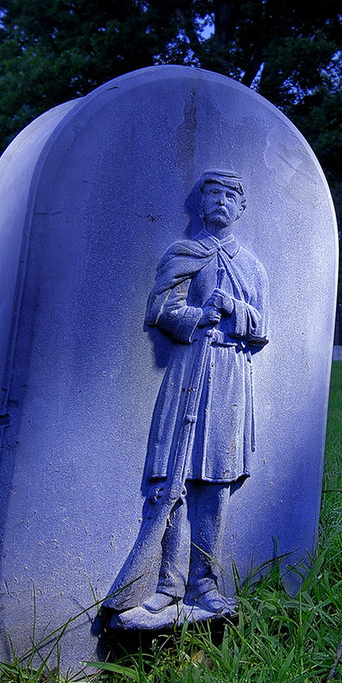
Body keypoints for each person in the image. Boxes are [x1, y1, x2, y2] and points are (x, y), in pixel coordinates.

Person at [105, 169, 269, 628]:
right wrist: (200, 314)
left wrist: (235, 308)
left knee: (215, 478)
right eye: (212, 193)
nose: (220, 201)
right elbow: (161, 308)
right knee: (174, 476)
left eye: (229, 196)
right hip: (188, 370)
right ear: (200, 204)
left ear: (241, 208)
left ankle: (205, 582)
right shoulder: (182, 252)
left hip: (231, 376)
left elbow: (262, 327)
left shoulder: (252, 266)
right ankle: (167, 583)